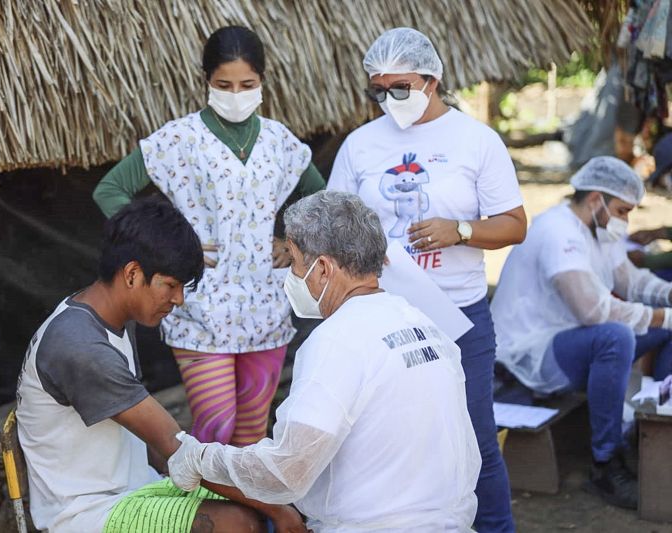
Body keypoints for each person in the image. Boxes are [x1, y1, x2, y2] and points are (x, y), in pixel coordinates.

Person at [168, 190, 482, 531]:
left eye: (293, 261)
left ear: (321, 269)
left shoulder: (338, 340)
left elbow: (288, 471)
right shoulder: (420, 322)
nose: (290, 275)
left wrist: (202, 459)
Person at [326, 28, 525, 532]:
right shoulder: (360, 145)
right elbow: (334, 222)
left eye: (401, 88)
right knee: (390, 435)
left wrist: (459, 231)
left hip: (458, 317)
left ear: (432, 80)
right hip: (380, 317)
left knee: (474, 435)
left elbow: (515, 225)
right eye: (378, 90)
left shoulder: (475, 140)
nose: (389, 100)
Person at [92, 25, 325, 448]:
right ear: (206, 82)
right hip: (199, 305)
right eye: (224, 85)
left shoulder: (279, 142)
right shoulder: (178, 139)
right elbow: (110, 190)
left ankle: (248, 514)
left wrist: (293, 243)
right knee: (215, 428)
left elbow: (320, 197)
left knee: (252, 434)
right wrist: (164, 248)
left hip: (265, 308)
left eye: (247, 85)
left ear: (262, 82)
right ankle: (208, 514)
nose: (236, 94)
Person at [16, 198, 306, 532]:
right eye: (170, 285)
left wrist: (265, 499)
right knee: (237, 523)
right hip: (86, 513)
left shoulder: (106, 318)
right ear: (132, 274)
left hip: (134, 488)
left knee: (257, 499)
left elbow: (153, 442)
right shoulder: (81, 347)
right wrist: (280, 511)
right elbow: (173, 444)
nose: (179, 299)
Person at [491, 156, 672, 510]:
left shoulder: (598, 230)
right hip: (528, 355)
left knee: (649, 327)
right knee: (615, 337)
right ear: (595, 200)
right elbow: (593, 311)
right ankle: (606, 464)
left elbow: (631, 282)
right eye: (622, 210)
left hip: (568, 340)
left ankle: (658, 419)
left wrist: (669, 299)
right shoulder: (558, 232)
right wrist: (665, 316)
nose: (626, 220)